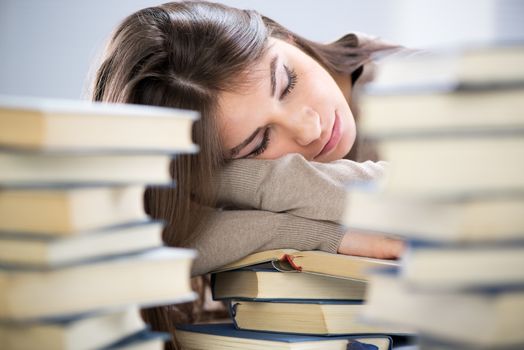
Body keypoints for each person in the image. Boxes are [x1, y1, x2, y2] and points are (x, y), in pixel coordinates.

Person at [91, 0, 403, 347]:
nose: (310, 128)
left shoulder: (418, 84)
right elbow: (155, 236)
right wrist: (303, 232)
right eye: (258, 144)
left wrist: (249, 181)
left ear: (285, 38)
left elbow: (426, 198)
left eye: (287, 83)